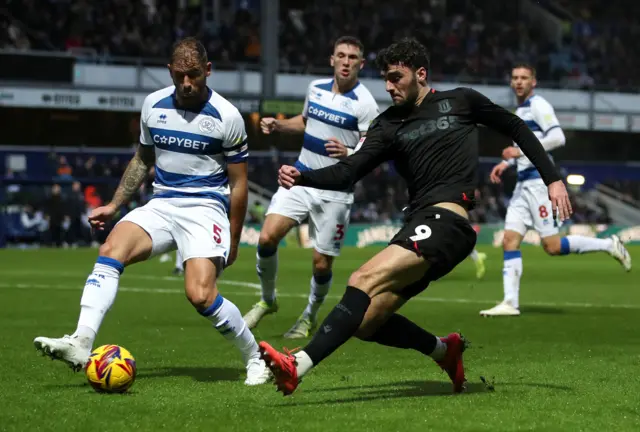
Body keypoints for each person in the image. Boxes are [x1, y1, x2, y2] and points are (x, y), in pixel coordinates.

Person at [257, 38, 573, 396]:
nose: (389, 87)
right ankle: (444, 349)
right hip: (421, 224)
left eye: (396, 78)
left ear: (420, 74)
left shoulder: (460, 101)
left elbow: (516, 126)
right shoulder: (387, 125)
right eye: (386, 80)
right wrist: (304, 176)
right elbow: (349, 170)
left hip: (448, 220)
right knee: (367, 322)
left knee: (363, 277)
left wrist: (553, 180)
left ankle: (296, 366)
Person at [33, 37, 270, 386]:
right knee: (111, 251)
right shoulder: (153, 105)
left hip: (205, 208)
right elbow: (143, 158)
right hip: (162, 204)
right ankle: (82, 341)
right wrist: (115, 205)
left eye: (193, 75)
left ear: (207, 71)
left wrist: (233, 240)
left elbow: (238, 184)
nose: (186, 83)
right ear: (169, 72)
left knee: (200, 295)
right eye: (179, 76)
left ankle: (256, 358)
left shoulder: (228, 116)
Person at [243, 36, 380, 339]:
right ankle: (267, 300)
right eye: (341, 55)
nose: (346, 62)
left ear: (361, 64)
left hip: (336, 190)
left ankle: (309, 316)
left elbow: (372, 148)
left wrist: (349, 154)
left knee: (321, 264)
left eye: (352, 57)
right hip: (301, 177)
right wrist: (279, 126)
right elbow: (305, 122)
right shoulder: (315, 89)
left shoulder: (366, 104)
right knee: (266, 238)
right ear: (332, 59)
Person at [479, 64, 632, 317]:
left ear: (533, 82)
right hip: (522, 183)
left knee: (552, 246)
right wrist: (506, 163)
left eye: (524, 78)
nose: (518, 82)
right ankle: (509, 302)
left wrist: (516, 152)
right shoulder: (521, 109)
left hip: (539, 182)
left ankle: (607, 245)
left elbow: (557, 137)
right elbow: (526, 146)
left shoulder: (539, 105)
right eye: (515, 78)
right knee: (509, 240)